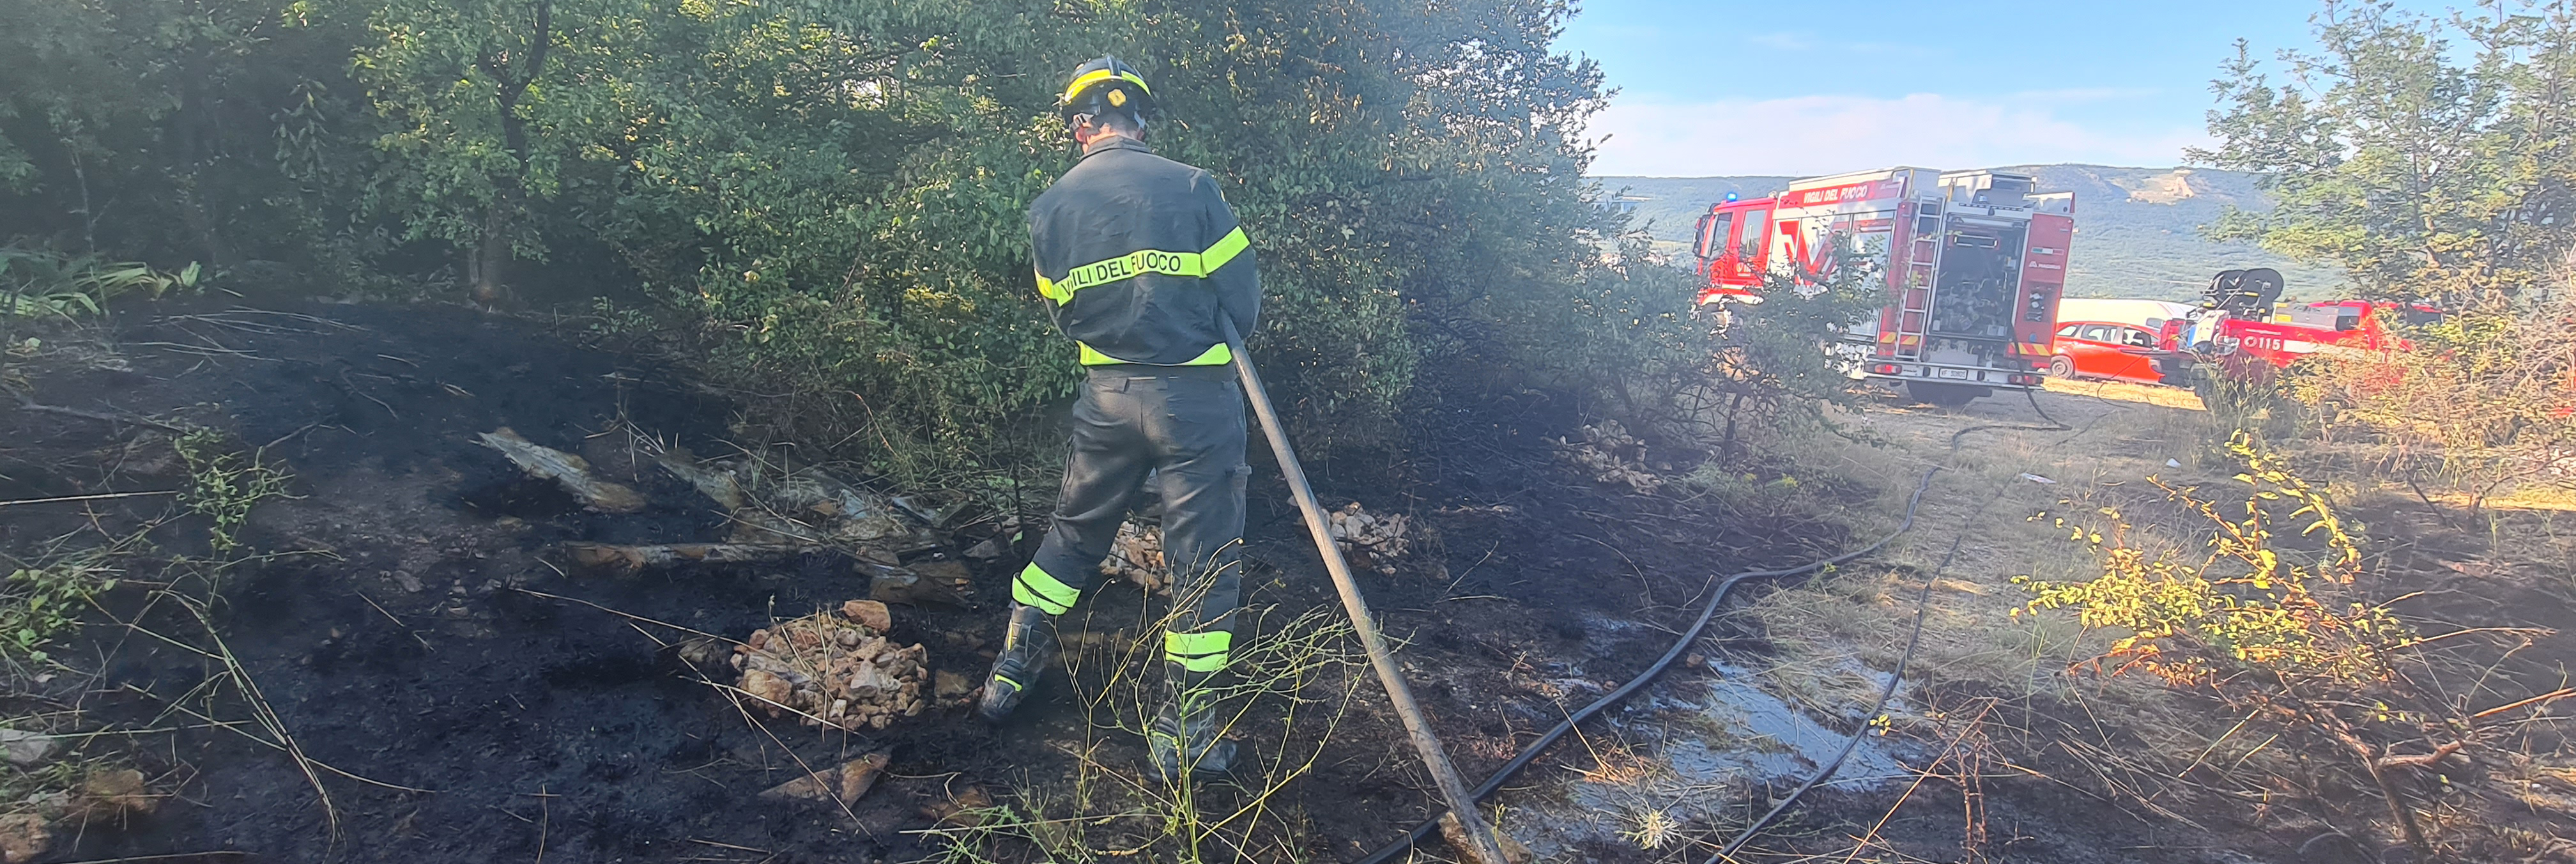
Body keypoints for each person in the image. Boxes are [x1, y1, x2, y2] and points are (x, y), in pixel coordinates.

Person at [977, 56, 1259, 782]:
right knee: (1203, 561)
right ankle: (1183, 733)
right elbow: (1243, 300)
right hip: (1196, 401)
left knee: (1074, 532)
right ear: (1138, 119)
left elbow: (1062, 311)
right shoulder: (1192, 186)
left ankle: (1011, 671)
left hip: (1106, 398)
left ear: (1080, 126)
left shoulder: (1049, 208)